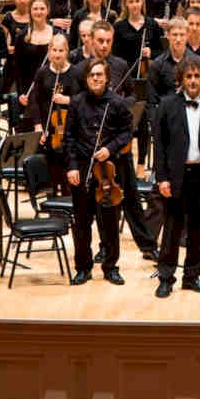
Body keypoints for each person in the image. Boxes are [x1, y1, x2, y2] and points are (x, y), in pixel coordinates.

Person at [153, 55, 200, 297]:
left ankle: (192, 276)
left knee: (197, 228)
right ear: (181, 79)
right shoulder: (167, 105)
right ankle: (166, 278)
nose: (193, 80)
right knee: (172, 228)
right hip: (176, 175)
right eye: (189, 76)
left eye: (197, 76)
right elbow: (160, 146)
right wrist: (162, 178)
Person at [65, 58, 133, 285]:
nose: (95, 78)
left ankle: (111, 267)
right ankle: (83, 268)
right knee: (82, 223)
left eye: (99, 75)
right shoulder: (76, 103)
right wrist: (72, 166)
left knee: (110, 222)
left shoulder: (117, 103)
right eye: (92, 75)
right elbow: (69, 138)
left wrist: (109, 149)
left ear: (106, 78)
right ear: (86, 78)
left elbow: (127, 132)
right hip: (82, 169)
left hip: (107, 170)